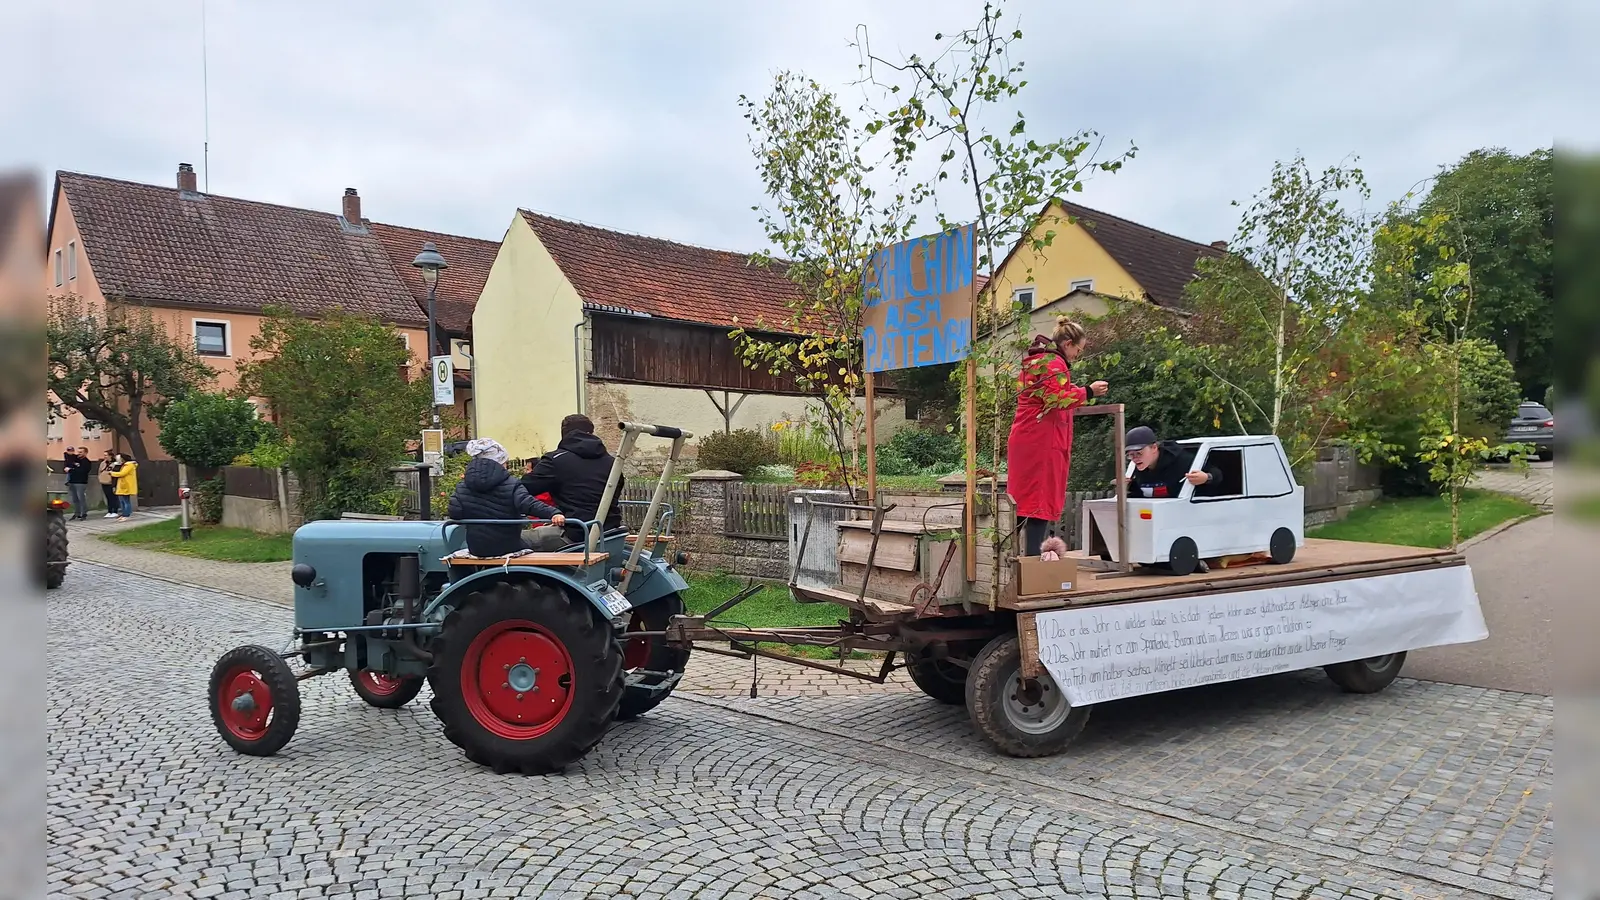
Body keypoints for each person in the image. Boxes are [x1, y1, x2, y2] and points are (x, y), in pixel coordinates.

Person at [1006, 318, 1109, 557]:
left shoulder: (1038, 362)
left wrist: (1078, 392)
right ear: (1068, 343)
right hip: (1041, 441)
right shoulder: (1053, 364)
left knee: (1024, 503)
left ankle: (1014, 563)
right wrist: (1089, 391)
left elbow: (1052, 395)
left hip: (1030, 438)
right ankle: (1031, 566)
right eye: (1078, 350)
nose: (1077, 355)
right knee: (1038, 503)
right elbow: (1056, 399)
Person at [447, 438, 566, 558]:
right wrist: (553, 513)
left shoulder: (463, 486)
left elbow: (455, 513)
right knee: (532, 547)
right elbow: (528, 504)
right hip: (507, 545)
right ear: (500, 463)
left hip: (477, 548)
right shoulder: (510, 483)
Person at [521, 414, 624, 546]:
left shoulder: (555, 460)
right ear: (592, 433)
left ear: (564, 434)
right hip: (610, 533)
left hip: (574, 535)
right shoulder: (612, 463)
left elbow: (523, 489)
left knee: (513, 540)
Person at [1124, 425, 1223, 499]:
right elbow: (1140, 496)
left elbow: (1218, 475)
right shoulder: (1136, 468)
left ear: (1154, 448)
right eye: (1131, 454)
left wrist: (1206, 477)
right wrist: (1127, 487)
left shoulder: (1182, 460)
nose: (1135, 458)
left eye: (1139, 453)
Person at [62, 447, 91, 520]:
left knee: (81, 498)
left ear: (85, 453)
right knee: (74, 499)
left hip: (81, 482)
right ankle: (77, 513)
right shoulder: (76, 459)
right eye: (78, 452)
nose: (79, 453)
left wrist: (71, 470)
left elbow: (82, 471)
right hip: (72, 481)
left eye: (81, 452)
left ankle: (83, 513)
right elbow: (68, 458)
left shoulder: (86, 462)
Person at [109, 453, 138, 521]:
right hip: (122, 485)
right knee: (122, 501)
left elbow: (122, 473)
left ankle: (126, 515)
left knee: (126, 501)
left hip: (126, 485)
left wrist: (111, 473)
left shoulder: (129, 465)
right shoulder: (124, 465)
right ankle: (124, 513)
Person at [97, 450, 119, 518]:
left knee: (113, 497)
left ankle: (115, 511)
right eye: (104, 455)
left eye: (106, 455)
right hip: (104, 481)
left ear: (110, 456)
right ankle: (109, 511)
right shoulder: (103, 463)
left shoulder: (115, 463)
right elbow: (99, 471)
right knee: (108, 497)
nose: (105, 457)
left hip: (111, 482)